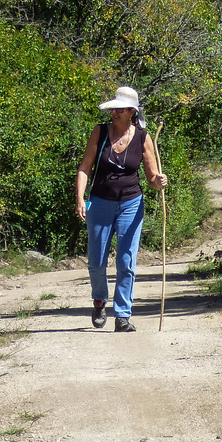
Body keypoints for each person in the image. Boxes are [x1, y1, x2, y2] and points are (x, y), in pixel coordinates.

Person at [74, 86, 167, 332]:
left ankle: (123, 315)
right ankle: (99, 300)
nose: (114, 112)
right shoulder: (100, 132)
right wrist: (80, 199)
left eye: (120, 109)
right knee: (96, 262)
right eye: (113, 108)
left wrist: (159, 181)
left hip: (131, 204)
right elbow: (85, 168)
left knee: (126, 261)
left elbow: (151, 177)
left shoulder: (143, 138)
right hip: (100, 203)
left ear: (131, 112)